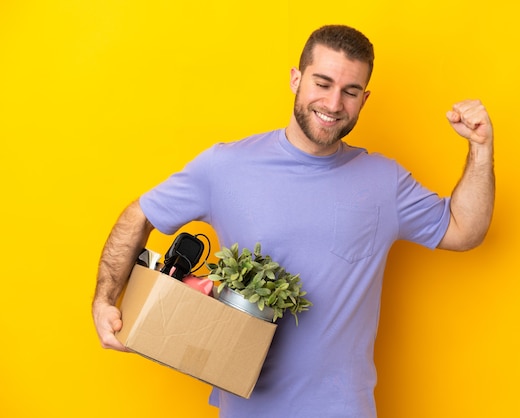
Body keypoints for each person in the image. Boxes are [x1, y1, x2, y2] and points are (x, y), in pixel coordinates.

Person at [92, 24, 494, 418]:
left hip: (344, 409)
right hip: (246, 407)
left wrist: (480, 147)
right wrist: (104, 299)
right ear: (296, 78)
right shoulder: (226, 166)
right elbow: (140, 214)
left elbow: (464, 229)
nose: (334, 103)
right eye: (322, 83)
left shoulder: (383, 181)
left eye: (350, 91)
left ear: (364, 98)